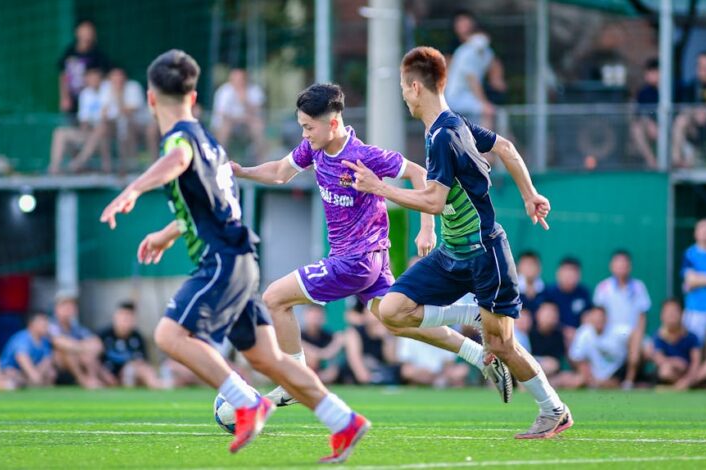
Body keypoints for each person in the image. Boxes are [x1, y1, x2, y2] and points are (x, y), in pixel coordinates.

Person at [99, 49, 369, 463]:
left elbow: (176, 159)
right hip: (241, 256)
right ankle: (343, 420)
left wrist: (133, 189)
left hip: (221, 260)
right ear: (193, 97)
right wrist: (169, 232)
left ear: (152, 99)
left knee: (169, 335)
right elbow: (219, 204)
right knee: (267, 358)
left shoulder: (182, 141)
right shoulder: (210, 141)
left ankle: (246, 401)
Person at [231, 82, 511, 407]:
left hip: (357, 260)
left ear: (332, 123)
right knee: (399, 319)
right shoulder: (314, 149)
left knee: (274, 298)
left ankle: (295, 381)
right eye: (301, 127)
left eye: (308, 127)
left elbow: (420, 173)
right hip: (368, 260)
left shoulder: (364, 155)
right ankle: (476, 344)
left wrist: (426, 228)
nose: (304, 134)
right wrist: (242, 171)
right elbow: (280, 172)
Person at [347, 46, 572, 439]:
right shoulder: (453, 126)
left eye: (403, 87)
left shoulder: (444, 136)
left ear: (416, 87)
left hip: (484, 253)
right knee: (392, 310)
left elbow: (433, 200)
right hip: (452, 255)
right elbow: (505, 148)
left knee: (503, 346)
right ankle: (470, 316)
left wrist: (378, 187)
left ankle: (554, 410)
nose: (402, 95)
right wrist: (529, 194)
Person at [593, 250, 651, 390]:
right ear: (611, 266)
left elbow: (642, 318)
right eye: (618, 263)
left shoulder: (639, 287)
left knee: (649, 350)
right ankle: (626, 381)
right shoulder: (603, 287)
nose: (621, 267)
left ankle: (633, 380)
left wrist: (638, 336)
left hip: (633, 335)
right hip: (610, 335)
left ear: (629, 266)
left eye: (624, 264)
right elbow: (598, 316)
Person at [49, 67, 112, 174]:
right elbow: (84, 119)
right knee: (60, 132)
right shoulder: (85, 94)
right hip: (91, 131)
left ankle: (78, 163)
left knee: (100, 129)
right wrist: (85, 129)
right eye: (90, 78)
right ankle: (55, 167)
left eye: (95, 77)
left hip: (110, 130)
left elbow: (110, 116)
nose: (93, 80)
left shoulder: (109, 89)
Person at [49, 291, 113, 389]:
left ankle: (93, 379)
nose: (68, 309)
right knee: (68, 352)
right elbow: (61, 343)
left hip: (79, 361)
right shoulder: (51, 326)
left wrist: (80, 348)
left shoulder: (78, 328)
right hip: (54, 365)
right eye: (64, 305)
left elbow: (98, 344)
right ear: (56, 309)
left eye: (71, 306)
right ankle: (83, 380)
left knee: (89, 355)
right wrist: (83, 348)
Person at [445, 10, 498, 129]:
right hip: (456, 97)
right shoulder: (467, 52)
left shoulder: (485, 52)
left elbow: (494, 67)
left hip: (467, 96)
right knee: (487, 112)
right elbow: (472, 79)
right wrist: (483, 103)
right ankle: (486, 145)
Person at [100, 67, 159, 171]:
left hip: (141, 123)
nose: (117, 79)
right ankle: (110, 167)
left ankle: (152, 165)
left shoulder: (133, 87)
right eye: (114, 77)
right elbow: (104, 113)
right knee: (104, 128)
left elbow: (129, 112)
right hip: (118, 125)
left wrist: (118, 95)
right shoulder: (106, 88)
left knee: (128, 126)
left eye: (119, 76)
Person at [98, 301, 164, 389]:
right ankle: (157, 384)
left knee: (140, 369)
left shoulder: (137, 337)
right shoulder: (103, 335)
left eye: (129, 318)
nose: (126, 321)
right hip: (107, 377)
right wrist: (104, 375)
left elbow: (143, 361)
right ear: (116, 317)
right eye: (123, 317)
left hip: (130, 375)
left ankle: (155, 383)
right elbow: (95, 361)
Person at [560, 306, 630, 389]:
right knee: (576, 381)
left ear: (606, 319)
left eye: (600, 317)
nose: (598, 320)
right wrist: (589, 378)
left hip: (618, 374)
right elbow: (577, 358)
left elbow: (634, 335)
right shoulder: (584, 332)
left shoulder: (618, 331)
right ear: (591, 318)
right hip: (592, 377)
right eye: (595, 317)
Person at [672, 51, 706, 167]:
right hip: (695, 127)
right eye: (701, 67)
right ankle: (676, 159)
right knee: (680, 120)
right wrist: (695, 112)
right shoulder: (691, 87)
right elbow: (684, 108)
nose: (704, 71)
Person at [211, 68, 267, 163]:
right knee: (225, 126)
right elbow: (222, 114)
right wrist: (240, 118)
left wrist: (244, 100)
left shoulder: (254, 90)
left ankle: (261, 161)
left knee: (258, 125)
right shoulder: (224, 91)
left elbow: (257, 112)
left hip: (247, 123)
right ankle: (220, 160)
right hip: (230, 122)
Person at [681, 218, 706, 345]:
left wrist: (697, 279)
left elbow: (694, 281)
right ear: (696, 232)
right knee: (694, 348)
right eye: (702, 229)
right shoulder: (689, 254)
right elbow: (690, 280)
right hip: (695, 310)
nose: (705, 232)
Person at [57, 20, 109, 116]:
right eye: (84, 31)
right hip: (72, 98)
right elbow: (63, 75)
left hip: (88, 100)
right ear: (77, 32)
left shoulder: (97, 54)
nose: (87, 35)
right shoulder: (69, 52)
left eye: (90, 32)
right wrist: (64, 97)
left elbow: (102, 77)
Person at [649, 299, 701, 390]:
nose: (671, 315)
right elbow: (659, 358)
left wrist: (688, 378)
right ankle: (681, 386)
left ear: (682, 314)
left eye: (674, 311)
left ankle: (680, 386)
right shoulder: (658, 336)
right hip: (672, 372)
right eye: (668, 312)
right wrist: (676, 362)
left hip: (691, 375)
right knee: (665, 371)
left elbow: (696, 362)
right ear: (662, 316)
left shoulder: (692, 337)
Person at [544, 257, 593, 346]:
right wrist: (564, 331)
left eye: (573, 273)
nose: (569, 277)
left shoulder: (583, 292)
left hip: (578, 336)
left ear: (579, 275)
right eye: (566, 273)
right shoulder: (549, 292)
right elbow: (546, 318)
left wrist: (577, 332)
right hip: (555, 334)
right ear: (559, 273)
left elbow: (588, 317)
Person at [0, 312, 56, 388]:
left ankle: (32, 386)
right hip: (13, 369)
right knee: (12, 375)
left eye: (46, 321)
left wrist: (38, 374)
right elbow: (22, 358)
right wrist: (34, 376)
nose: (45, 324)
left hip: (33, 370)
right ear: (31, 324)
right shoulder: (23, 338)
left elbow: (47, 359)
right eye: (41, 322)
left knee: (51, 373)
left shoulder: (44, 340)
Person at [343, 310, 398, 385]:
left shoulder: (388, 333)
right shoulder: (354, 332)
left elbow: (391, 360)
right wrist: (366, 377)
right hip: (356, 378)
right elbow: (356, 363)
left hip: (383, 374)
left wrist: (386, 338)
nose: (376, 316)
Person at [300, 305, 343, 385]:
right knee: (310, 360)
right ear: (305, 314)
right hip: (303, 370)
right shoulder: (298, 335)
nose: (316, 316)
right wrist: (323, 353)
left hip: (324, 373)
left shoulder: (328, 336)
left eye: (319, 313)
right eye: (312, 312)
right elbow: (316, 355)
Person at [630, 58, 659, 169]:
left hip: (668, 126)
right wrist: (649, 123)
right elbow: (639, 114)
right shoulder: (644, 93)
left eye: (653, 72)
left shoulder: (670, 89)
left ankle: (676, 160)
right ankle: (651, 162)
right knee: (636, 129)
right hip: (650, 127)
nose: (649, 75)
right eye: (648, 72)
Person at [529, 302, 566, 378]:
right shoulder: (529, 332)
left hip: (550, 372)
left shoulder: (558, 335)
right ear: (538, 315)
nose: (550, 318)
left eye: (553, 314)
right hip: (529, 366)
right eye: (547, 315)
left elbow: (557, 361)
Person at [517, 251, 546, 315]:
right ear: (518, 267)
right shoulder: (510, 290)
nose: (529, 267)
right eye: (526, 264)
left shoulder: (546, 291)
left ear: (539, 268)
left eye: (532, 264)